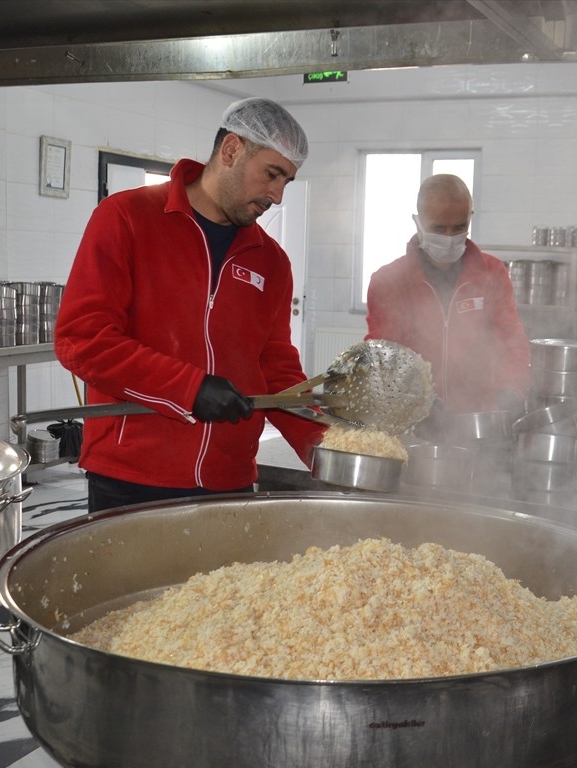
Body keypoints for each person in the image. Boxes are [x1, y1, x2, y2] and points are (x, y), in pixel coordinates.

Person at [55, 97, 324, 512]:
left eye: (287, 181)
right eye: (273, 174)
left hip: (228, 480)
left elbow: (276, 368)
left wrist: (329, 448)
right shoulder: (128, 218)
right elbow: (82, 338)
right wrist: (189, 389)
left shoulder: (271, 261)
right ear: (231, 150)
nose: (277, 195)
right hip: (133, 476)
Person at [365, 174, 531, 440]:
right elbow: (385, 357)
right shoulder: (389, 281)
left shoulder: (492, 273)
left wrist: (512, 390)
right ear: (418, 223)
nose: (450, 237)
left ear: (471, 217)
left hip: (479, 428)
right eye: (439, 229)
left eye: (459, 227)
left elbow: (511, 341)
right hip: (413, 429)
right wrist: (420, 402)